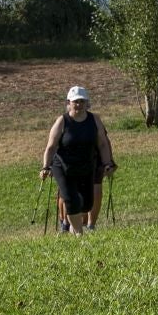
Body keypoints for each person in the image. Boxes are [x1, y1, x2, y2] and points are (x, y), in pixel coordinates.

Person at [41, 86, 114, 235]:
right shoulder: (62, 121)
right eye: (75, 102)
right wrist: (45, 166)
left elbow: (102, 143)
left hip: (86, 165)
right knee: (70, 198)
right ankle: (79, 234)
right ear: (69, 103)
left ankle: (75, 228)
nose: (78, 104)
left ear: (87, 103)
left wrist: (108, 163)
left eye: (81, 101)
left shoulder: (94, 120)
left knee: (87, 204)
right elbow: (51, 146)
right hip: (63, 166)